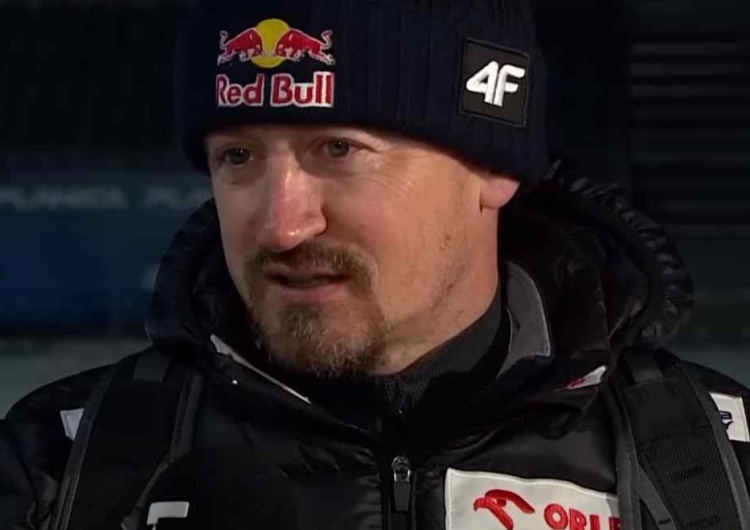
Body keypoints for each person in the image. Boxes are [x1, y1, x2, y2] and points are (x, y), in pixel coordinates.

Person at [2, 0, 749, 529]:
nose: (282, 226)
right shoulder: (58, 467)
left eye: (339, 150)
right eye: (238, 157)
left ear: (493, 168)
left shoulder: (710, 459)